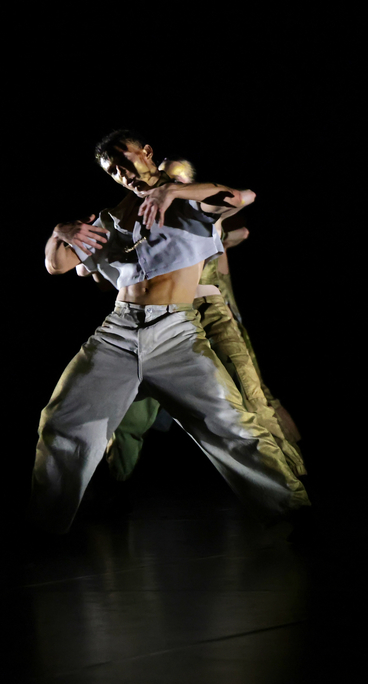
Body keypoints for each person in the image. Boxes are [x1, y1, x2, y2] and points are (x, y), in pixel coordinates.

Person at [34, 130, 309, 534]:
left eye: (125, 160)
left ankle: (294, 512)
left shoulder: (192, 198)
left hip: (175, 330)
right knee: (62, 421)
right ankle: (43, 526)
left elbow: (241, 196)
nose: (122, 172)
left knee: (229, 422)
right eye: (113, 170)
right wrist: (60, 231)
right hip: (119, 330)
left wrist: (172, 194)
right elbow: (56, 266)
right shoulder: (112, 216)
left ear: (146, 153)